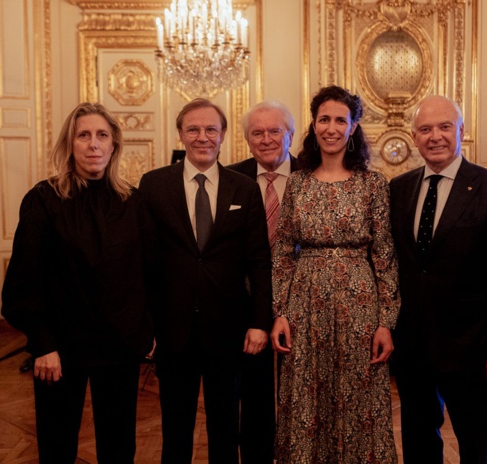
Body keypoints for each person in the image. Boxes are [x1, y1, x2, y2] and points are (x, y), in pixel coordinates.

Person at [1, 102, 154, 463]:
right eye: (83, 135)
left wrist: (147, 332)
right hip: (59, 348)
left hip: (119, 346)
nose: (93, 144)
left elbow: (148, 274)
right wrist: (42, 344)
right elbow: (24, 278)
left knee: (119, 447)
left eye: (102, 135)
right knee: (57, 446)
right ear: (69, 144)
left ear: (114, 144)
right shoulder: (43, 199)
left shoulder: (133, 202)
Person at [389, 95, 487, 464]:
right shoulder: (398, 189)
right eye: (425, 129)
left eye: (444, 127)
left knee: (474, 440)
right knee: (418, 438)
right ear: (414, 137)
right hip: (412, 344)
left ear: (461, 131)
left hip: (471, 346)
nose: (435, 136)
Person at [270, 85, 400, 463]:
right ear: (313, 124)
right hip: (304, 306)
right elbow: (283, 251)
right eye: (324, 119)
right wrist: (280, 311)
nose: (331, 127)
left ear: (353, 126)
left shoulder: (372, 184)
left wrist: (386, 321)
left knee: (359, 396)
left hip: (360, 306)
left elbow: (386, 256)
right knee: (308, 393)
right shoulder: (297, 182)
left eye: (340, 120)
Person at [139, 98, 272, 464]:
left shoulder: (243, 188)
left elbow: (259, 262)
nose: (202, 137)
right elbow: (145, 263)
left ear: (223, 135)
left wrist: (259, 323)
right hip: (173, 330)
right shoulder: (153, 186)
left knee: (226, 427)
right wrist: (146, 326)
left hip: (228, 331)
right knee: (175, 429)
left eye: (210, 129)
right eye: (193, 129)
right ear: (181, 134)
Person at [228, 100, 298, 464]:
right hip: (247, 303)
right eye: (258, 132)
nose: (267, 139)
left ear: (291, 135)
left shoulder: (313, 175)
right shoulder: (231, 179)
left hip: (304, 302)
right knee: (253, 396)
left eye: (275, 131)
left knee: (301, 392)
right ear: (247, 139)